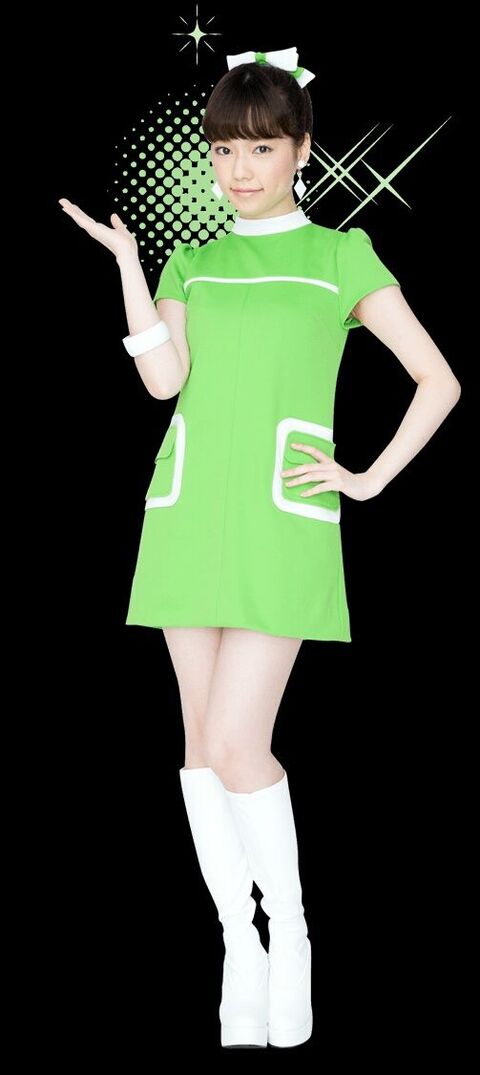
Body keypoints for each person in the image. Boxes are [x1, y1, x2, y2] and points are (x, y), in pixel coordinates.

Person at [59, 45, 461, 1049]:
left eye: (262, 147)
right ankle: (238, 944)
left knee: (241, 741)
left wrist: (368, 476)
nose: (240, 168)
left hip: (281, 520)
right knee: (200, 748)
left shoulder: (342, 256)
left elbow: (438, 378)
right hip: (187, 512)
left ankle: (295, 937)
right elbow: (163, 382)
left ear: (303, 149)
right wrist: (129, 270)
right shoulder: (191, 263)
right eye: (225, 150)